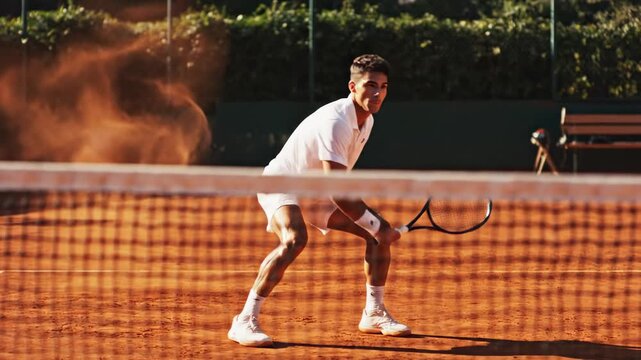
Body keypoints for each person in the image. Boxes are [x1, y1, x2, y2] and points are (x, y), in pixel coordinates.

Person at [228, 54, 410, 347]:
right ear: (353, 86)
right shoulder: (336, 121)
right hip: (283, 182)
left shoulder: (368, 121)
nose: (377, 93)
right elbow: (338, 189)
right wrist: (377, 224)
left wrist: (378, 229)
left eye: (384, 86)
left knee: (377, 238)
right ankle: (245, 320)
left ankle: (373, 313)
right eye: (370, 85)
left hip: (317, 190)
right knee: (294, 239)